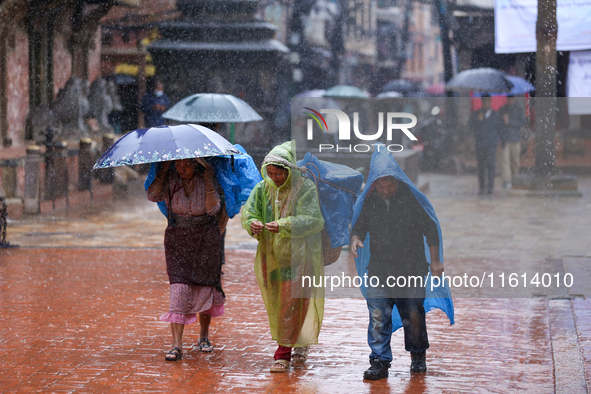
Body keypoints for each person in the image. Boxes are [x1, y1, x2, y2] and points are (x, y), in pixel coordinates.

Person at [349, 151, 447, 381]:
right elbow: (359, 226)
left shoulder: (411, 199)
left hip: (410, 268)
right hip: (379, 268)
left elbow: (431, 229)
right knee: (377, 315)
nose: (385, 190)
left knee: (413, 313)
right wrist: (355, 238)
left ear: (397, 179)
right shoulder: (370, 200)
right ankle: (379, 360)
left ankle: (418, 354)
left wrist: (435, 261)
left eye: (389, 184)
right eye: (380, 185)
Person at [241, 141, 325, 373]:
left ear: (289, 171)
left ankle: (283, 354)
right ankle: (297, 342)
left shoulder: (305, 188)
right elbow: (249, 213)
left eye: (278, 173)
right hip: (271, 257)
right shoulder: (262, 189)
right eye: (270, 173)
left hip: (300, 257)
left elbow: (315, 220)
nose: (274, 178)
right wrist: (253, 224)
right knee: (281, 303)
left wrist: (285, 224)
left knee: (292, 302)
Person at [147, 157, 227, 361]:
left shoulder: (207, 179)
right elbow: (152, 195)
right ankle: (176, 345)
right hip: (177, 240)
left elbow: (212, 209)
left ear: (196, 164)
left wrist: (209, 180)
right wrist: (163, 170)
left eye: (187, 164)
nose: (181, 168)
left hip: (206, 240)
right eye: (178, 164)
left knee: (205, 287)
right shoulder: (170, 180)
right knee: (178, 289)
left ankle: (204, 337)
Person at [469, 94, 504, 195]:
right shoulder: (477, 114)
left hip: (491, 145)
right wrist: (477, 120)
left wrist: (500, 141)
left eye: (489, 101)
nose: (487, 104)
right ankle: (481, 186)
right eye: (485, 102)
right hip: (480, 144)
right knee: (481, 167)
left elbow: (500, 129)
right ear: (482, 102)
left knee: (491, 166)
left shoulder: (496, 115)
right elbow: (470, 126)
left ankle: (490, 187)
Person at [499, 95, 526, 189]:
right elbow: (499, 125)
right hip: (505, 139)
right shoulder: (503, 109)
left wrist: (509, 122)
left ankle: (515, 178)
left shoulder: (518, 109)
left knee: (515, 160)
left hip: (515, 138)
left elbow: (522, 122)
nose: (510, 100)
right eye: (509, 98)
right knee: (505, 161)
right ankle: (507, 180)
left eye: (512, 98)